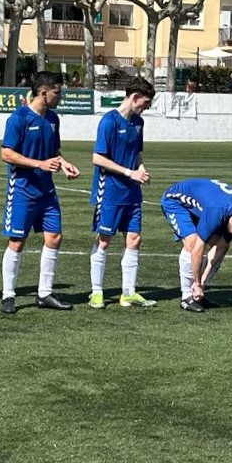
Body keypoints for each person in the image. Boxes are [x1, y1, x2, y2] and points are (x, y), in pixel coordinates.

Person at [0, 71, 79, 314]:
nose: (60, 98)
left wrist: (63, 163)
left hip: (46, 190)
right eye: (57, 93)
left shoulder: (53, 119)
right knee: (17, 242)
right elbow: (6, 154)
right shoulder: (19, 118)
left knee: (54, 237)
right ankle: (8, 295)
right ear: (43, 93)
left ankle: (44, 293)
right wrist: (39, 164)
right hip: (22, 190)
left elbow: (54, 150)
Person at [89, 77, 156, 309]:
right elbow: (97, 158)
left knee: (134, 239)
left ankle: (128, 293)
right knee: (104, 241)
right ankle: (96, 292)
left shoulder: (138, 123)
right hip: (109, 191)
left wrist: (141, 169)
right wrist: (129, 172)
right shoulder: (109, 121)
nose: (146, 108)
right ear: (134, 97)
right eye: (145, 103)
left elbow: (136, 152)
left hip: (132, 192)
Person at [159, 178, 232, 311]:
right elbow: (197, 250)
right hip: (175, 202)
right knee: (192, 243)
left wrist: (202, 283)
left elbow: (221, 247)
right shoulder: (217, 211)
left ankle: (197, 294)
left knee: (220, 246)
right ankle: (186, 297)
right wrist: (196, 282)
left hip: (204, 206)